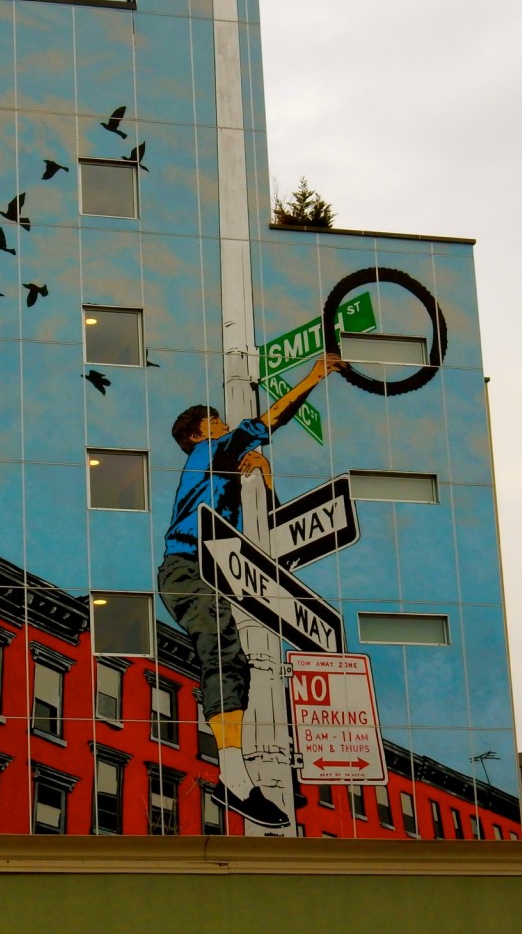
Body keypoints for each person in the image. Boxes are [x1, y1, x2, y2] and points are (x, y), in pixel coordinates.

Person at [158, 353, 343, 827]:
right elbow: (270, 419)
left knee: (241, 664)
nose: (224, 425)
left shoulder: (224, 476)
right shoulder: (207, 455)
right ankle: (235, 778)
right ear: (200, 434)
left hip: (224, 571)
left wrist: (262, 476)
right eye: (215, 421)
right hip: (187, 568)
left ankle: (268, 773)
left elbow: (271, 541)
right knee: (223, 652)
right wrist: (313, 377)